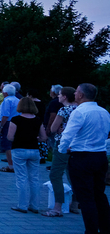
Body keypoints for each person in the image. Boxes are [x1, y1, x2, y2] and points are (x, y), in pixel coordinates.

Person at [58, 83, 110, 234]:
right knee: (99, 195)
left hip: (82, 157)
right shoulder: (104, 112)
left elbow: (68, 133)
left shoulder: (79, 112)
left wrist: (62, 149)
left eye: (76, 92)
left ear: (80, 95)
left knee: (86, 197)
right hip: (100, 156)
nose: (75, 94)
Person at [43, 87, 79, 217]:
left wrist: (58, 128)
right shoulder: (79, 109)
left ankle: (57, 207)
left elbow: (53, 128)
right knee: (73, 174)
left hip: (62, 144)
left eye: (59, 94)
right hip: (77, 145)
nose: (58, 96)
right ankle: (75, 204)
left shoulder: (64, 110)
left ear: (64, 97)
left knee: (55, 174)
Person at [7, 96, 46, 213]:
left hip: (19, 149)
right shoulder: (38, 120)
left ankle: (22, 205)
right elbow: (44, 137)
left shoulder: (15, 120)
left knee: (21, 178)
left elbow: (10, 137)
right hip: (34, 150)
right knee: (34, 178)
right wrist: (34, 138)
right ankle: (35, 205)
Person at [0, 84, 20, 172]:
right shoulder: (18, 100)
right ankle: (16, 164)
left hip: (8, 123)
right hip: (17, 122)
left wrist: (0, 126)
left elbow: (5, 115)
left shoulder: (6, 101)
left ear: (5, 93)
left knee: (7, 145)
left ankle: (11, 166)